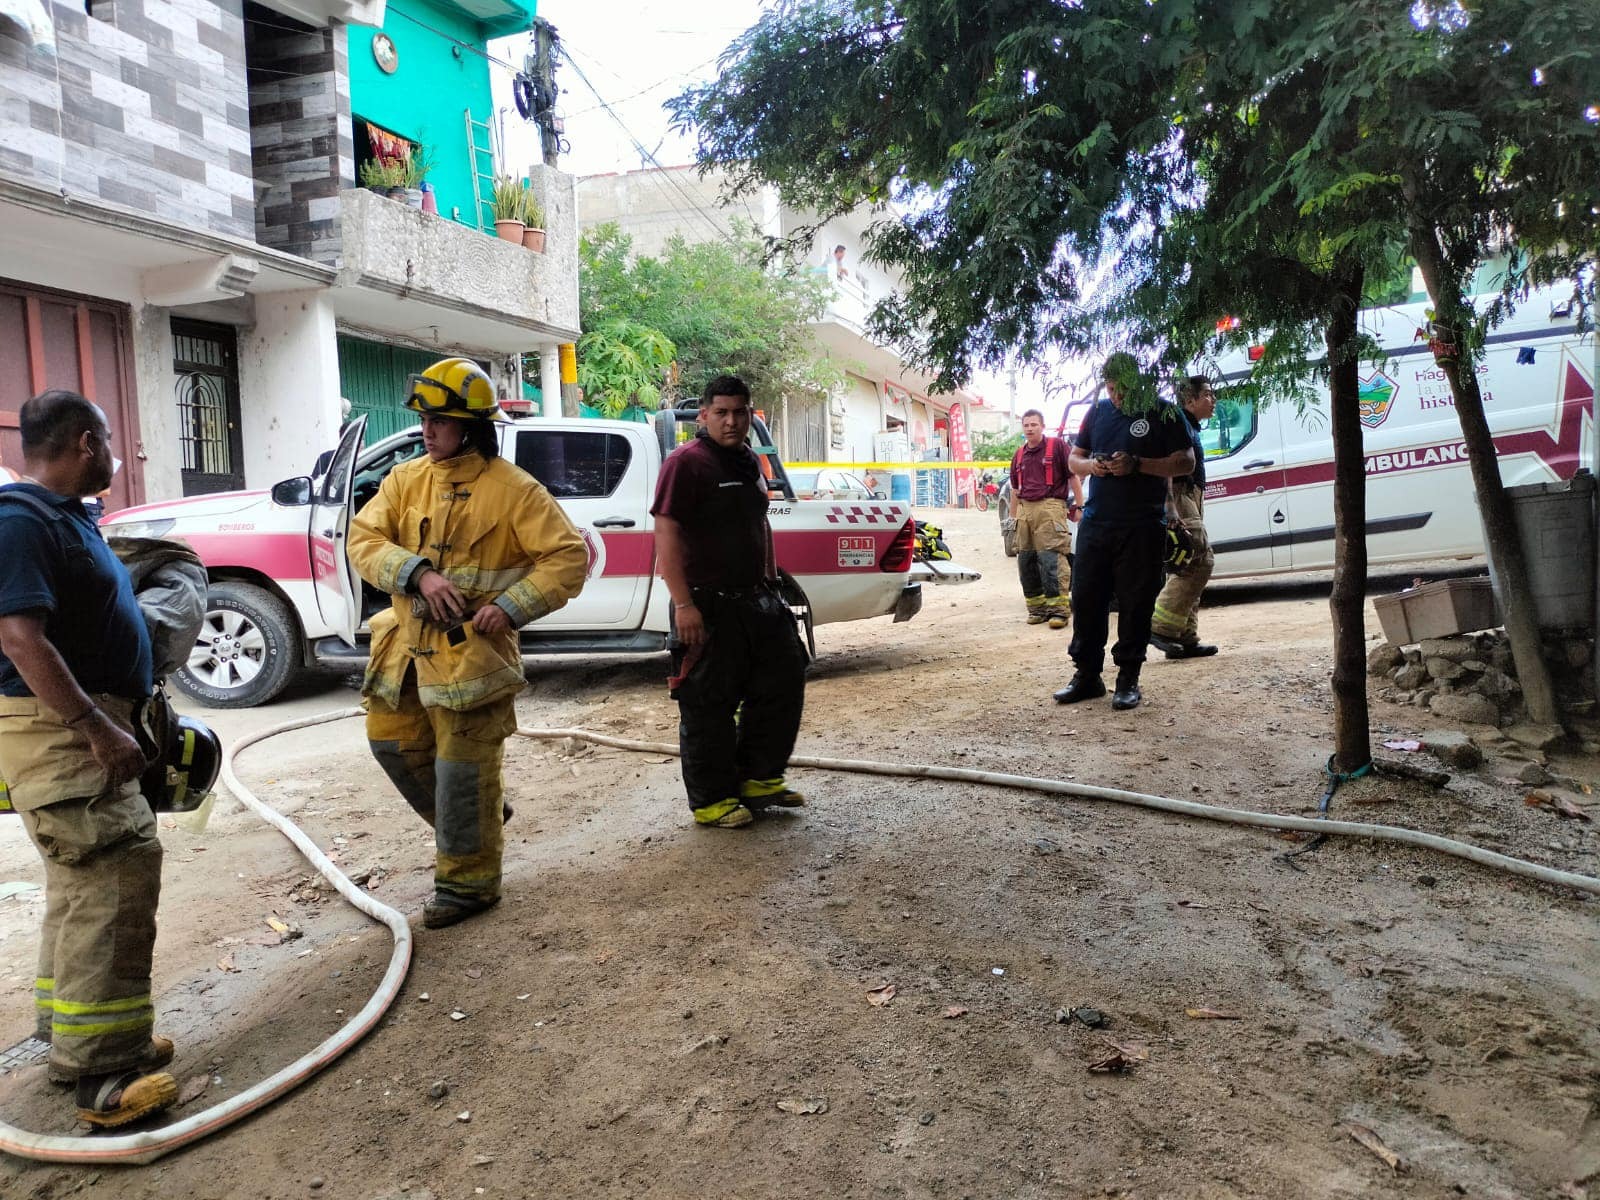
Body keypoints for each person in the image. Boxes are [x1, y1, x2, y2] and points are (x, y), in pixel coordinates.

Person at [349, 358, 588, 929]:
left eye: (438, 420)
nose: (426, 430)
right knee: (392, 747)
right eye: (425, 420)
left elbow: (567, 558)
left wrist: (509, 608)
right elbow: (364, 537)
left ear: (469, 425)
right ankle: (480, 818)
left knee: (460, 770)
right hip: (403, 652)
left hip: (471, 660)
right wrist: (416, 573)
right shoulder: (406, 479)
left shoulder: (514, 492)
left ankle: (467, 886)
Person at [0, 390, 178, 1128]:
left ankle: (73, 1034)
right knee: (112, 871)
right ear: (82, 442)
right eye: (107, 438)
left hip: (80, 723)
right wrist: (94, 726)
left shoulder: (63, 516)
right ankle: (103, 1075)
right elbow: (19, 637)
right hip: (61, 732)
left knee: (83, 882)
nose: (114, 452)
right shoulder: (18, 521)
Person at [652, 375, 808, 829]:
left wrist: (771, 583)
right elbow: (667, 532)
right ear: (703, 416)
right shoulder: (686, 463)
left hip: (756, 599)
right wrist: (683, 605)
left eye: (740, 412)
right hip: (704, 603)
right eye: (721, 412)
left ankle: (760, 778)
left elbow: (760, 524)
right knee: (708, 702)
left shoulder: (748, 462)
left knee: (782, 678)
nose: (731, 421)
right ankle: (712, 800)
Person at [1053, 354, 1195, 711]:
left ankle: (1128, 679)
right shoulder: (1098, 412)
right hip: (1097, 523)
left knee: (1135, 604)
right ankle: (1086, 676)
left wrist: (1138, 464)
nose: (1116, 396)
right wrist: (1093, 467)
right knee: (1085, 600)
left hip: (1142, 525)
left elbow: (1186, 461)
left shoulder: (1163, 412)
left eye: (1122, 389)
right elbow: (1074, 459)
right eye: (1111, 389)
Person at [1150, 376, 1219, 659]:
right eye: (1207, 395)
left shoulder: (1190, 425)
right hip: (1179, 495)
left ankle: (1184, 637)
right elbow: (1169, 466)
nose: (1213, 400)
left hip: (1191, 495)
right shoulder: (1177, 422)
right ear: (1189, 400)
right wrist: (1172, 508)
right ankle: (1160, 626)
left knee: (1189, 562)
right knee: (1200, 559)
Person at [1006, 408, 1083, 629]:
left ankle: (1058, 611)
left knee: (1052, 560)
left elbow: (1073, 477)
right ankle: (1037, 609)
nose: (1030, 428)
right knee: (1026, 561)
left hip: (1050, 508)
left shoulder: (1057, 446)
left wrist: (1080, 505)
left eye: (1034, 425)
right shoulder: (1019, 454)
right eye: (1026, 425)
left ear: (1042, 426)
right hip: (1025, 511)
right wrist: (1012, 520)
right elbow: (1014, 489)